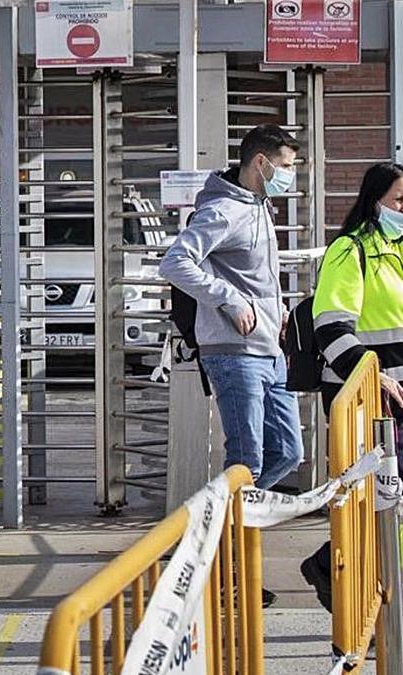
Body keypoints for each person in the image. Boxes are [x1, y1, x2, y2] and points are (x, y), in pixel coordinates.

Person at [159, 124, 304, 608]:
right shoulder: (223, 209)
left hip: (269, 349)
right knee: (248, 462)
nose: (289, 175)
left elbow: (257, 275)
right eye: (285, 166)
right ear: (260, 162)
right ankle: (226, 571)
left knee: (288, 451)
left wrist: (275, 308)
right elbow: (176, 262)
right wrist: (229, 300)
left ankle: (205, 533)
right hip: (233, 353)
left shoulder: (260, 207)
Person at [299, 162, 403, 613]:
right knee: (378, 504)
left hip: (394, 400)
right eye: (400, 200)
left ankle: (364, 589)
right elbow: (332, 326)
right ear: (374, 200)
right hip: (366, 401)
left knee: (387, 506)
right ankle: (371, 600)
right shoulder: (350, 250)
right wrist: (368, 371)